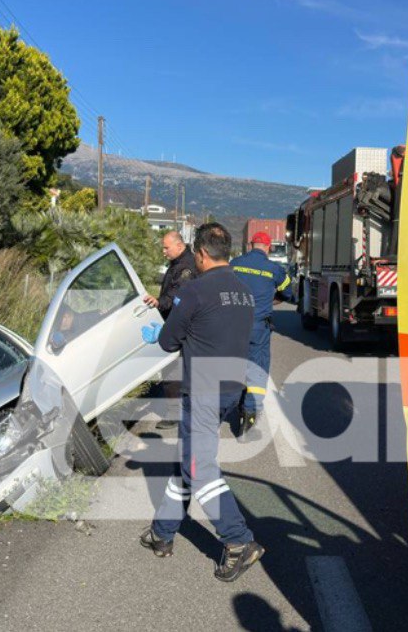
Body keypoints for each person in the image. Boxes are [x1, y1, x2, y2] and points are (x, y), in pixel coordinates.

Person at [139, 223, 265, 582]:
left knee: (199, 467)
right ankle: (162, 533)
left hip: (204, 391)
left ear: (201, 254)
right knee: (188, 460)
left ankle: (239, 541)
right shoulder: (243, 291)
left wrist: (157, 335)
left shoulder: (195, 290)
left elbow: (168, 341)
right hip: (230, 388)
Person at [230, 231, 291, 436]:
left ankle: (231, 402)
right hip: (258, 327)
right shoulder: (274, 270)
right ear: (268, 247)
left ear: (250, 245)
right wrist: (273, 298)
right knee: (257, 368)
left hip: (233, 325)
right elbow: (288, 292)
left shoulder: (235, 263)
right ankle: (249, 413)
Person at [143, 230, 195, 429]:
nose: (164, 252)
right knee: (174, 368)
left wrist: (159, 302)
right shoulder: (178, 263)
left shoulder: (186, 268)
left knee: (172, 369)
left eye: (166, 247)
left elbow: (176, 296)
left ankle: (175, 413)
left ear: (179, 246)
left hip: (178, 323)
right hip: (175, 322)